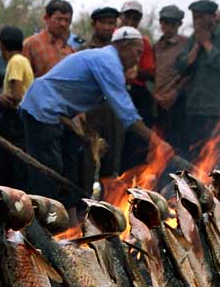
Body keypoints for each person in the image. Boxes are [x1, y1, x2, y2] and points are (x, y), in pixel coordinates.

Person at [19, 26, 152, 223]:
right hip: (41, 110)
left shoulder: (104, 60)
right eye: (137, 52)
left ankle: (70, 224)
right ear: (124, 45)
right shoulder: (108, 62)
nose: (138, 58)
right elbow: (128, 115)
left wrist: (86, 134)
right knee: (47, 171)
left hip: (58, 115)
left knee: (70, 168)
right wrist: (157, 144)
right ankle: (39, 227)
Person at [174, 0, 220, 165]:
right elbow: (181, 66)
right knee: (197, 159)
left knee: (218, 158)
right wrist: (197, 46)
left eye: (201, 17)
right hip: (195, 110)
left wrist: (207, 44)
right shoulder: (193, 39)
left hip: (219, 111)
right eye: (195, 18)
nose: (197, 22)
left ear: (212, 17)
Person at [0, 26, 33, 189]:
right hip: (21, 118)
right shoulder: (23, 59)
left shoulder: (15, 62)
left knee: (12, 164)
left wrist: (2, 99)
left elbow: (17, 95)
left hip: (15, 118)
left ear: (1, 45)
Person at [78, 7, 124, 179]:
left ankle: (110, 201)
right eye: (103, 23)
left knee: (112, 163)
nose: (107, 27)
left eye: (111, 23)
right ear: (94, 24)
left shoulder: (120, 50)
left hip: (113, 112)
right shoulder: (83, 49)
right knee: (89, 161)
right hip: (90, 112)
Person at [118, 0, 156, 171]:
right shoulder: (115, 38)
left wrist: (135, 72)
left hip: (136, 92)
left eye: (135, 18)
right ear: (121, 17)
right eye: (128, 17)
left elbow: (149, 71)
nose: (131, 21)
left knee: (136, 143)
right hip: (114, 91)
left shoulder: (143, 41)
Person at [153, 4, 189, 148]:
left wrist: (175, 92)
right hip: (159, 103)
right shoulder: (156, 46)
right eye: (165, 22)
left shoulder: (186, 44)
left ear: (179, 24)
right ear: (161, 23)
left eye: (173, 23)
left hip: (178, 102)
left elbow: (189, 73)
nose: (169, 26)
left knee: (178, 144)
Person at [23, 0, 75, 77]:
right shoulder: (31, 45)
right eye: (59, 19)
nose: (63, 24)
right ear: (46, 18)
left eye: (67, 20)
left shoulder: (70, 50)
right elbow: (23, 80)